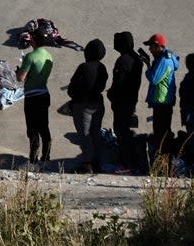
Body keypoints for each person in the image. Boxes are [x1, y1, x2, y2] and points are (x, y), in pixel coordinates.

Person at [66, 38, 107, 174]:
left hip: (83, 104)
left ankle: (86, 164)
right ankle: (96, 163)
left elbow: (72, 88)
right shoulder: (102, 67)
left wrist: (75, 97)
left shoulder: (84, 67)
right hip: (98, 104)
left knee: (85, 135)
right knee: (96, 134)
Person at [107, 30, 144, 172]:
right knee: (125, 131)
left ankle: (125, 163)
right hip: (130, 100)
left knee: (121, 131)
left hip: (122, 101)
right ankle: (129, 162)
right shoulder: (136, 59)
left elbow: (119, 82)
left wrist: (111, 94)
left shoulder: (123, 60)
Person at [16, 31, 54, 168]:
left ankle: (32, 161)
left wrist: (18, 71)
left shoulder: (30, 57)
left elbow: (20, 78)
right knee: (44, 126)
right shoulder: (49, 56)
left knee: (32, 129)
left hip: (32, 97)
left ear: (34, 40)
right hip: (44, 94)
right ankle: (46, 157)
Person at [143, 34, 179, 166]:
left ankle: (165, 165)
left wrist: (147, 64)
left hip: (162, 102)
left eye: (151, 46)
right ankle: (164, 163)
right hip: (162, 102)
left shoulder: (164, 60)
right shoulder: (161, 59)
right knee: (161, 133)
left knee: (161, 135)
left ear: (159, 46)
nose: (150, 49)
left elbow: (154, 78)